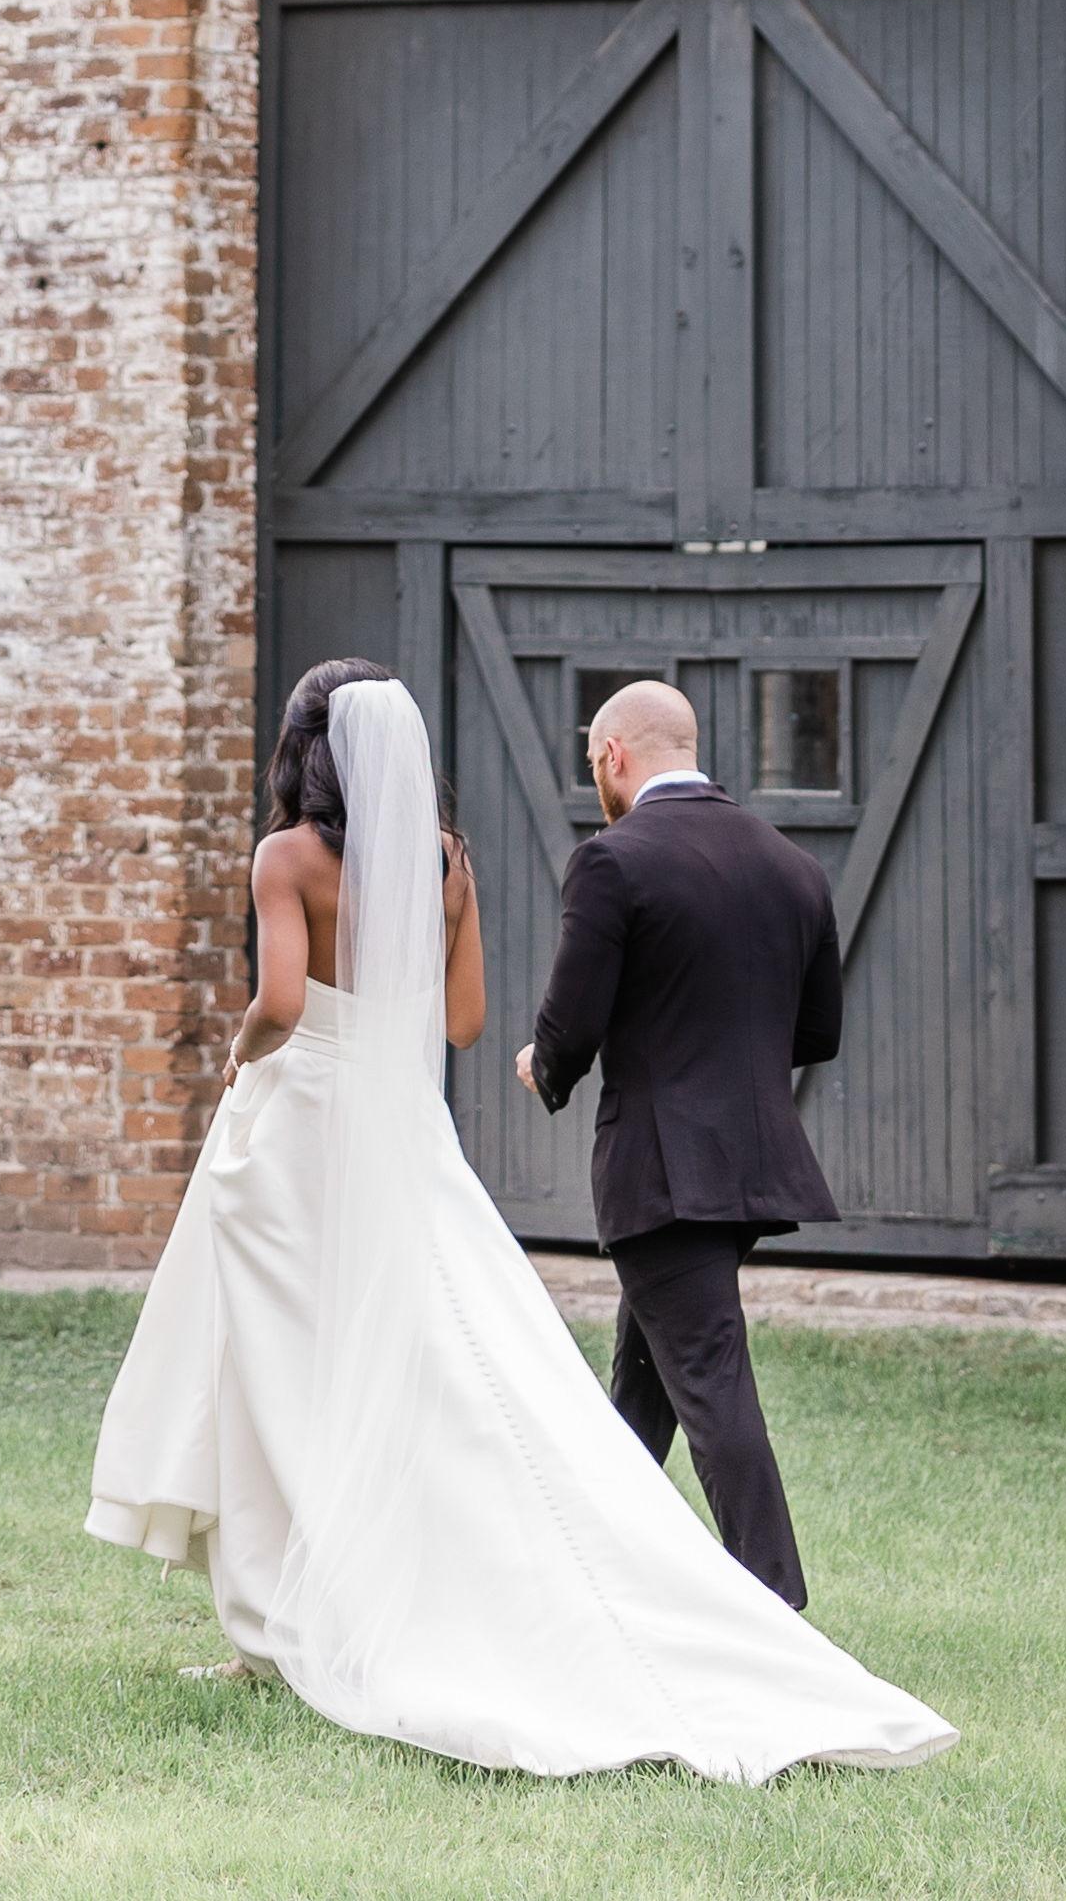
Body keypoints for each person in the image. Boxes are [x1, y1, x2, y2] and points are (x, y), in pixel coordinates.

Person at [86, 659, 951, 1781]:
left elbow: (285, 1003)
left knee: (279, 1363)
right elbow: (462, 1021)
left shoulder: (287, 857)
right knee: (452, 1353)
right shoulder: (449, 863)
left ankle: (287, 1620)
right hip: (410, 1130)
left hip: (304, 1125)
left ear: (302, 751)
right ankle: (452, 1579)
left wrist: (239, 1056)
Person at [518, 676, 840, 1607]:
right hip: (751, 1162)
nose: (595, 781)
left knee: (708, 1380)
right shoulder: (791, 865)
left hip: (660, 1170)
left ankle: (776, 1608)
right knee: (642, 1389)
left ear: (613, 754)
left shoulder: (611, 861)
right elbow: (815, 1033)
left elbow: (571, 1026)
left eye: (593, 763)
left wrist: (543, 1064)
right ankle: (589, 1581)